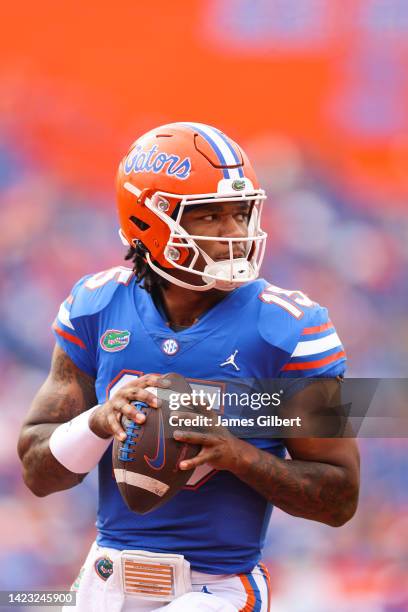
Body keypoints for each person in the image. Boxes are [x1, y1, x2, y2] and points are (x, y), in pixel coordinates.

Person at [17, 122, 359, 612]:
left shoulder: (292, 328)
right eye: (210, 217)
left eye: (241, 213)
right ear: (147, 222)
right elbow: (37, 472)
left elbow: (340, 498)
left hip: (213, 589)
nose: (235, 234)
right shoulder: (95, 306)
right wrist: (97, 421)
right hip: (104, 577)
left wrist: (236, 455)